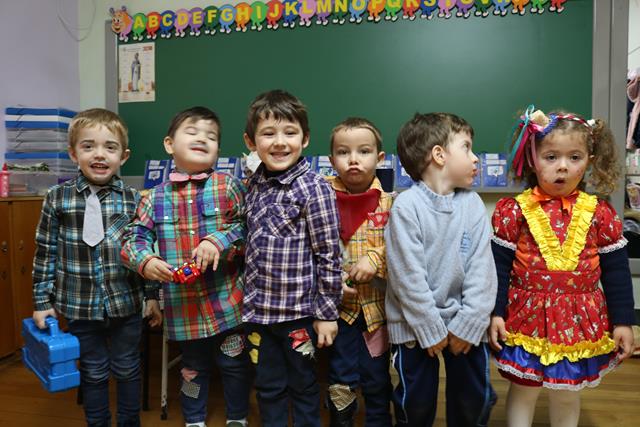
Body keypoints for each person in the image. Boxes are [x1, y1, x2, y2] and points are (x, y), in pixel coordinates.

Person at [488, 106, 636, 427]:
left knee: (568, 392)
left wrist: (624, 321)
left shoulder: (601, 214)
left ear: (590, 161)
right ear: (532, 159)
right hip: (525, 318)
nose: (563, 167)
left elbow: (616, 273)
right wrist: (495, 313)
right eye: (551, 157)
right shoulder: (513, 211)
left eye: (575, 157)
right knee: (524, 389)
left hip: (579, 320)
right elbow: (498, 269)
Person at [32, 108, 162, 427]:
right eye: (88, 146)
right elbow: (45, 252)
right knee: (92, 370)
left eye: (110, 147)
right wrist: (42, 301)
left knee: (128, 367)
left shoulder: (135, 200)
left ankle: (129, 423)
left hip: (126, 303)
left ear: (123, 156)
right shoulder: (56, 198)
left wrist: (152, 296)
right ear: (73, 153)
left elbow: (145, 250)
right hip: (79, 304)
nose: (99, 154)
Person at [121, 107, 250, 427]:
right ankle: (194, 419)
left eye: (211, 136)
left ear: (218, 149)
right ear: (169, 144)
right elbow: (133, 240)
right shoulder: (153, 198)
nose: (202, 139)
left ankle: (237, 417)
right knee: (192, 369)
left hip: (228, 302)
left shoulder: (230, 186)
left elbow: (248, 228)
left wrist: (218, 240)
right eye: (192, 132)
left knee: (234, 364)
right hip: (184, 308)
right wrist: (146, 261)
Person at [385, 112, 498, 426]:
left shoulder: (472, 204)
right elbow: (406, 277)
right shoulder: (406, 206)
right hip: (415, 326)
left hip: (464, 322)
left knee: (474, 400)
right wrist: (429, 327)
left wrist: (470, 322)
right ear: (439, 155)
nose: (475, 158)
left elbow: (482, 270)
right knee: (415, 404)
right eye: (467, 148)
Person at [241, 89, 342, 427]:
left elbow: (328, 255)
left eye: (290, 132)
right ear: (251, 141)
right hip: (258, 314)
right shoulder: (252, 185)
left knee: (303, 384)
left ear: (305, 138)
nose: (280, 142)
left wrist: (327, 314)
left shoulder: (315, 188)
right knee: (267, 386)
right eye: (268, 133)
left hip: (298, 316)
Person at [325, 117, 393, 426]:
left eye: (364, 151)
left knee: (376, 378)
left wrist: (376, 259)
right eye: (343, 152)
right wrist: (331, 280)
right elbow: (308, 249)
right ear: (331, 160)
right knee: (340, 378)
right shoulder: (321, 200)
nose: (353, 159)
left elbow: (403, 248)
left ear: (379, 158)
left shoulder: (391, 204)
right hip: (338, 312)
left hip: (376, 313)